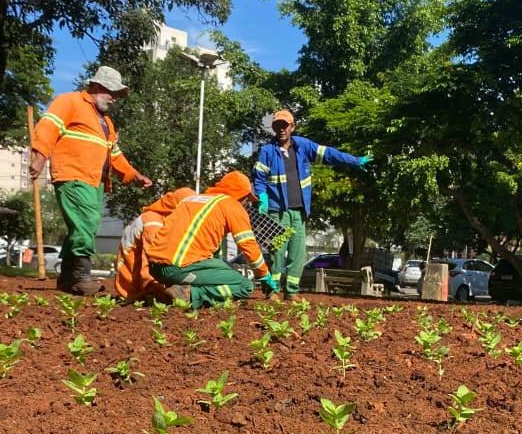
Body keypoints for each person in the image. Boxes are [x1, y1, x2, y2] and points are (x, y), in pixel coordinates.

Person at [29, 65, 152, 295]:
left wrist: (133, 174)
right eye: (111, 92)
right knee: (85, 223)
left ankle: (67, 279)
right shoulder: (70, 102)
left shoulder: (105, 122)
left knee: (84, 225)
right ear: (96, 86)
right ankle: (82, 276)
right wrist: (39, 156)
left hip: (94, 182)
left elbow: (114, 154)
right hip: (73, 175)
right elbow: (48, 127)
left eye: (116, 94)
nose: (114, 99)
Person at [251, 109, 370, 301]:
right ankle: (271, 291)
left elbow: (329, 154)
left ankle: (291, 291)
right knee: (276, 253)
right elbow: (259, 178)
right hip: (276, 212)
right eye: (277, 126)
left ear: (292, 127)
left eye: (284, 125)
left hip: (298, 212)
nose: (281, 129)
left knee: (298, 253)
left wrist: (355, 161)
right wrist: (262, 197)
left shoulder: (303, 146)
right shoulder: (267, 151)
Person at [147, 171, 279, 309]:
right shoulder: (232, 205)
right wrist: (264, 275)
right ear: (241, 195)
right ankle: (189, 294)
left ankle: (169, 291)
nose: (246, 203)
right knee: (244, 285)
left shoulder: (192, 200)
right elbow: (248, 245)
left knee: (221, 267)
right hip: (179, 267)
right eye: (246, 199)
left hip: (156, 268)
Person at [113, 187, 195, 303]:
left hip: (138, 283)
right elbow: (149, 265)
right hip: (134, 287)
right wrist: (161, 292)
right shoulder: (153, 223)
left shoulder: (164, 220)